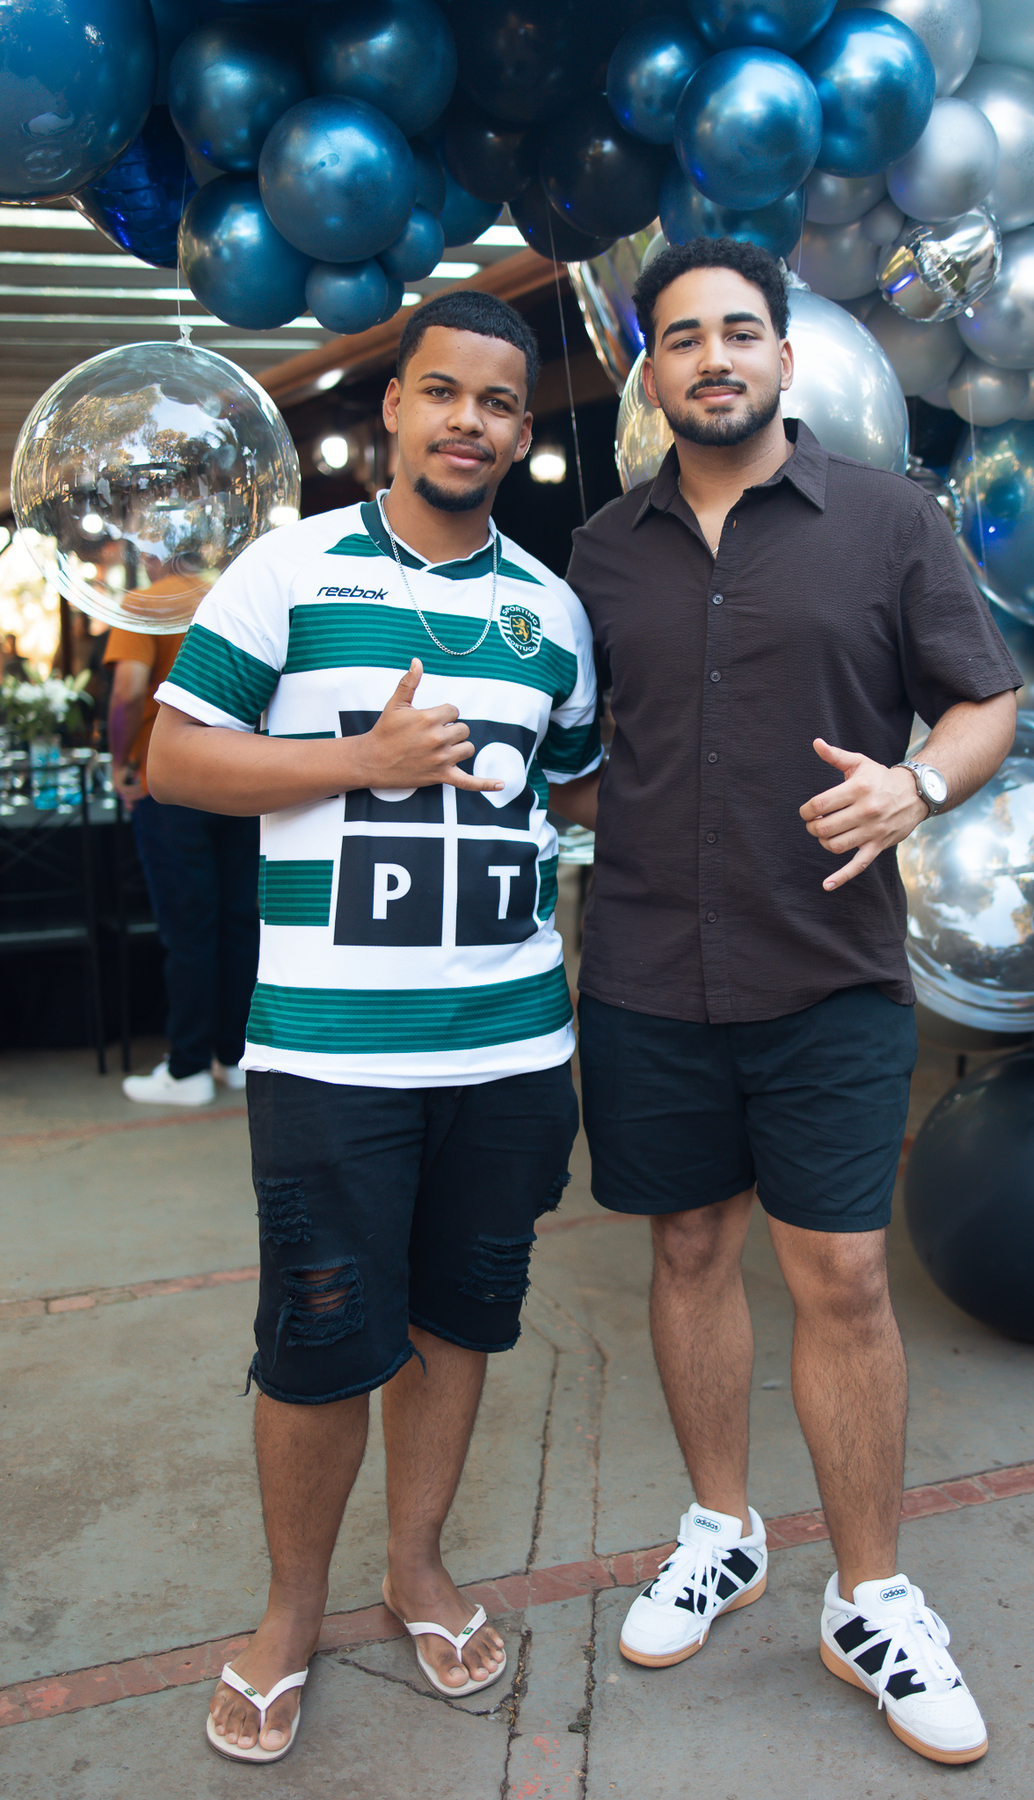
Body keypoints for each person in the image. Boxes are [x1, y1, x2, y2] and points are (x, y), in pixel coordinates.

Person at [553, 238, 1020, 1767]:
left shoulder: (887, 522)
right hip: (646, 971)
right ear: (652, 371)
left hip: (829, 972)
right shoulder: (598, 553)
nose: (715, 357)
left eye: (740, 331)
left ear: (785, 356)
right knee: (689, 1249)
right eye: (683, 336)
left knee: (844, 1279)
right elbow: (566, 753)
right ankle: (723, 1532)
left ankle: (870, 1597)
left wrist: (917, 784)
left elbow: (987, 698)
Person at [148, 290, 600, 1763]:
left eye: (500, 403)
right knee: (317, 1340)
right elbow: (176, 759)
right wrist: (364, 759)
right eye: (445, 392)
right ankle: (290, 1612)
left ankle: (416, 1571)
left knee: (459, 1320)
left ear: (522, 434)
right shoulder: (287, 570)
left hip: (513, 1046)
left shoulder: (553, 613)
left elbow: (582, 783)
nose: (472, 421)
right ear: (395, 408)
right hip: (333, 1053)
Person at [105, 574, 259, 1106]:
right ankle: (234, 1057)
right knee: (239, 923)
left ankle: (188, 1067)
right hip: (240, 776)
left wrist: (120, 762)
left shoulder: (150, 602)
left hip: (170, 783)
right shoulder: (236, 593)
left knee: (189, 929)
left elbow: (128, 690)